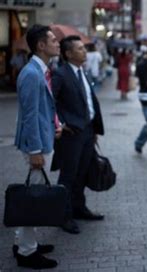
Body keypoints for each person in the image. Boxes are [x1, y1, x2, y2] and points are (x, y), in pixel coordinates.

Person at [13, 24, 61, 269]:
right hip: (36, 144)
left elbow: (43, 108)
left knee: (33, 192)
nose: (57, 43)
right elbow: (30, 115)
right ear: (41, 45)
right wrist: (34, 151)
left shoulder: (40, 70)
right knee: (33, 198)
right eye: (53, 40)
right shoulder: (32, 73)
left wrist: (55, 125)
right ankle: (27, 251)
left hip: (43, 137)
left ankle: (23, 241)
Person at [52, 35, 105, 234]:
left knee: (82, 173)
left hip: (88, 131)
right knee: (68, 175)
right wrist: (61, 123)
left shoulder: (83, 71)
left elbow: (89, 100)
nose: (85, 51)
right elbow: (51, 102)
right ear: (68, 53)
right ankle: (63, 216)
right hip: (71, 134)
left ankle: (79, 208)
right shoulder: (60, 74)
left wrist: (94, 129)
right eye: (80, 48)